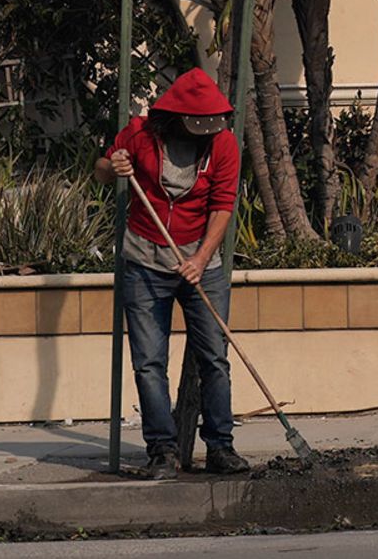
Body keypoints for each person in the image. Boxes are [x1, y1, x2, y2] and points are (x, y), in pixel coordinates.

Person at [93, 68, 250, 479]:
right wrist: (116, 166)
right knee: (148, 362)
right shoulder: (140, 134)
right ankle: (162, 450)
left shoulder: (224, 144)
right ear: (176, 118)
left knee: (214, 357)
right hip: (144, 261)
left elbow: (223, 206)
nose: (205, 133)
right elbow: (102, 169)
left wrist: (200, 259)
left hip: (201, 264)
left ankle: (221, 446)